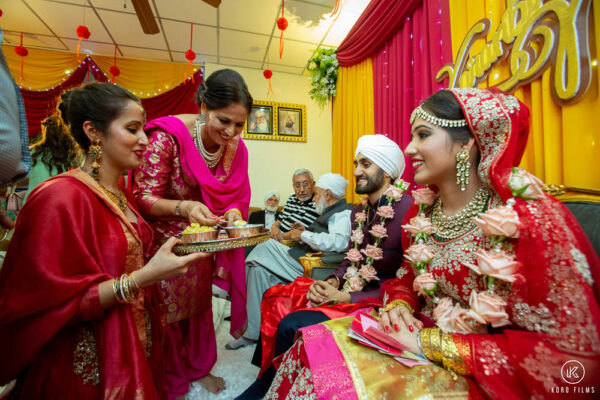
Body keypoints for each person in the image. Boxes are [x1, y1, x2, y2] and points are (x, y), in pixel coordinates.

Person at [267, 88, 600, 399]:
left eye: (423, 135)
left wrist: (433, 344)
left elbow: (576, 358)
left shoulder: (528, 219)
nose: (409, 148)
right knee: (311, 347)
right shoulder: (425, 212)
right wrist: (399, 305)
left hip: (481, 372)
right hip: (412, 339)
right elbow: (408, 279)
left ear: (465, 144)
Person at [0, 82, 205, 399]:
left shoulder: (121, 195)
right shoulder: (58, 198)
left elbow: (127, 257)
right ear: (93, 132)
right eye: (132, 129)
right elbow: (54, 302)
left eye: (144, 130)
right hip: (85, 363)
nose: (145, 140)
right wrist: (147, 276)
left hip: (134, 342)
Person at [237, 134, 414, 399]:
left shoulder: (408, 211)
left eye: (366, 164)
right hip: (348, 289)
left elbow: (407, 282)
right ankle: (267, 381)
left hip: (378, 304)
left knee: (290, 323)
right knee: (276, 297)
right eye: (356, 164)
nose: (356, 171)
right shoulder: (360, 211)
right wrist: (333, 281)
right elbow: (351, 257)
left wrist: (346, 295)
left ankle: (268, 390)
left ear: (387, 171)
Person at [131, 68, 252, 398]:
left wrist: (233, 213)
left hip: (203, 243)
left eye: (239, 124)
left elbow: (237, 197)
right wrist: (183, 208)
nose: (231, 132)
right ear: (203, 107)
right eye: (223, 121)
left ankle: (199, 369)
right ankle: (170, 378)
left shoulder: (236, 149)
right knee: (168, 314)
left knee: (199, 308)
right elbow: (143, 196)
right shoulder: (167, 137)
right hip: (165, 246)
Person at [227, 173, 353, 350]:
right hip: (299, 255)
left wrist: (302, 235)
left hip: (312, 265)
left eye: (317, 193)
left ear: (328, 194)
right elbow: (325, 236)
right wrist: (304, 232)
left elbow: (340, 243)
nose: (314, 198)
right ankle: (252, 333)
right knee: (257, 269)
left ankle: (231, 286)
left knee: (263, 242)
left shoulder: (343, 213)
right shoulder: (330, 211)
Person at [0, 27, 31, 230]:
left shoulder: (37, 153)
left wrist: (14, 212)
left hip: (26, 211)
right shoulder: (74, 159)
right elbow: (22, 184)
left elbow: (20, 186)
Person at [24, 115, 82, 201]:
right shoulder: (76, 155)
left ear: (43, 133)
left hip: (33, 202)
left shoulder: (31, 153)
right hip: (65, 203)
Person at [269, 168, 319, 240]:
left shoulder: (317, 203)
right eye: (297, 186)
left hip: (289, 244)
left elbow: (297, 235)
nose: (301, 189)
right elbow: (279, 221)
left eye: (306, 184)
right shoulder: (292, 198)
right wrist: (274, 228)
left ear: (313, 184)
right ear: (293, 186)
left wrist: (275, 237)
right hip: (276, 239)